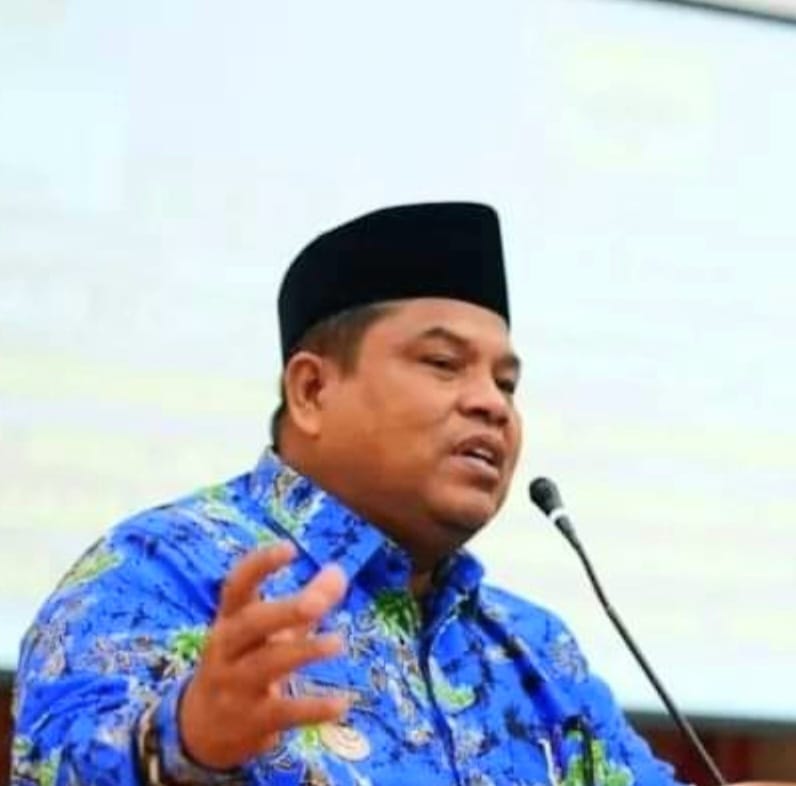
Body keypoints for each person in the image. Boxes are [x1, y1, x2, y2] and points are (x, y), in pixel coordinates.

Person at [11, 203, 686, 786]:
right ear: (312, 390)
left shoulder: (534, 649)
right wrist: (187, 741)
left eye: (506, 383)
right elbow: (56, 760)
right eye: (443, 364)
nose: (492, 403)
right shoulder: (160, 569)